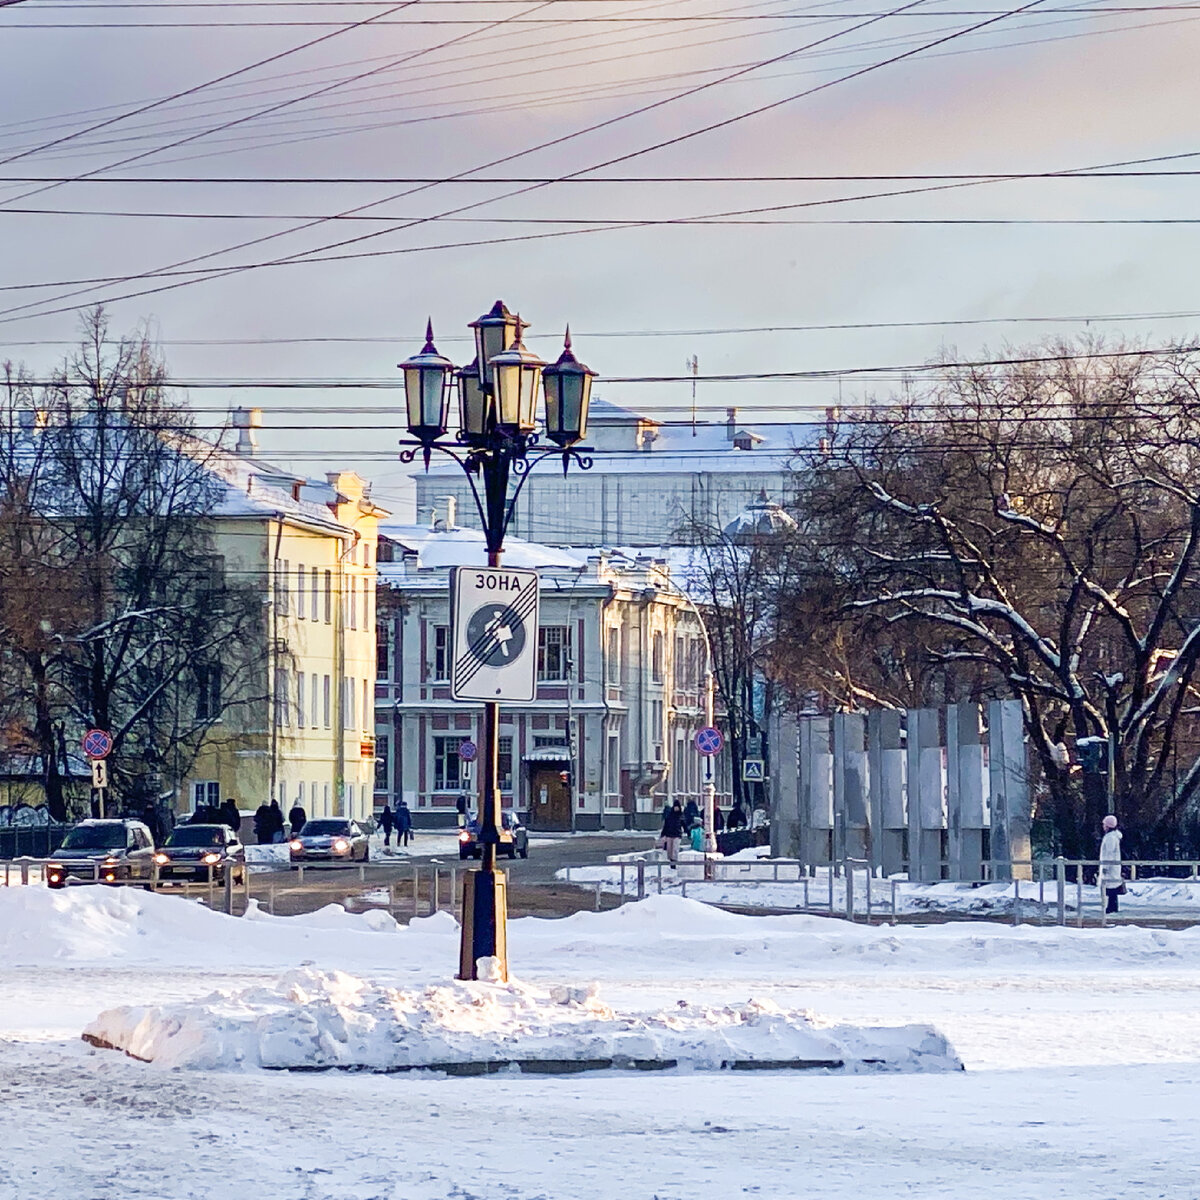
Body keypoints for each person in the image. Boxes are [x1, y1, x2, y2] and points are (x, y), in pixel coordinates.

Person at [1099, 814, 1124, 914]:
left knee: (1110, 887)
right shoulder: (1113, 836)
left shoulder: (1110, 837)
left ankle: (1111, 907)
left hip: (1110, 866)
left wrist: (1105, 866)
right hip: (1113, 866)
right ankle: (1112, 906)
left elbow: (1109, 853)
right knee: (1111, 886)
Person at [661, 800, 684, 866]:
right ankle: (671, 860)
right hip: (669, 834)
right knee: (669, 850)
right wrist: (663, 834)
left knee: (675, 849)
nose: (676, 808)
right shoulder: (669, 816)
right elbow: (666, 825)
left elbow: (684, 824)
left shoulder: (681, 815)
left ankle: (674, 862)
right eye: (675, 807)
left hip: (677, 834)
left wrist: (688, 832)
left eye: (677, 807)